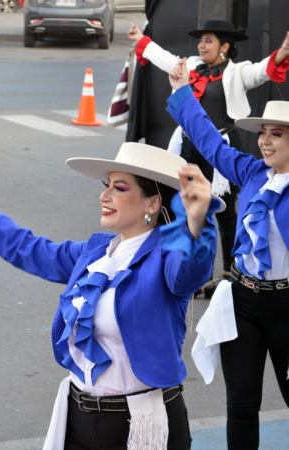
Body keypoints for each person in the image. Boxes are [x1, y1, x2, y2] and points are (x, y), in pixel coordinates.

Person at [0, 143, 223, 450]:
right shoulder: (95, 252)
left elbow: (191, 271)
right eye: (106, 185)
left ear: (152, 203)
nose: (104, 195)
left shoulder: (168, 259)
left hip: (140, 426)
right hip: (77, 418)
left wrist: (196, 224)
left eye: (119, 188)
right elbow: (27, 248)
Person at [168, 57, 289, 450]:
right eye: (264, 133)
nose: (265, 141)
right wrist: (181, 92)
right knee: (240, 404)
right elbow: (209, 141)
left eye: (277, 135)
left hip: (287, 305)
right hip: (241, 300)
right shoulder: (253, 172)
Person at [128, 20, 289, 291]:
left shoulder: (238, 72)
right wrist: (141, 39)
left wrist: (283, 53)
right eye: (200, 40)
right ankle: (190, 272)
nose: (202, 45)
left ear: (225, 46)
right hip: (192, 145)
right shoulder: (191, 65)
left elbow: (261, 71)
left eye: (209, 40)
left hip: (223, 142)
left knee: (225, 213)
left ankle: (227, 271)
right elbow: (164, 58)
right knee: (188, 206)